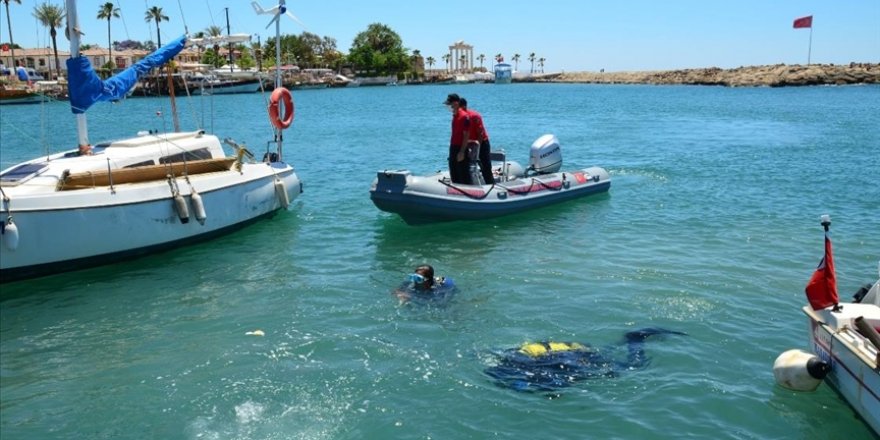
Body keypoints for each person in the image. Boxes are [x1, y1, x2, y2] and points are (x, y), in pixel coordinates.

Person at [460, 98, 494, 185]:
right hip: (468, 143)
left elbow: (481, 134)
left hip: (482, 143)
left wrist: (476, 150)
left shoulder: (474, 116)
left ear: (464, 107)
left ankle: (490, 185)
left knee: (485, 167)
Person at [443, 93, 472, 184]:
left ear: (455, 103)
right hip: (453, 147)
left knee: (463, 175)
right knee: (454, 173)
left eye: (450, 104)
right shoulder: (454, 116)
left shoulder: (464, 117)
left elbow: (466, 135)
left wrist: (462, 152)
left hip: (460, 148)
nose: (449, 107)